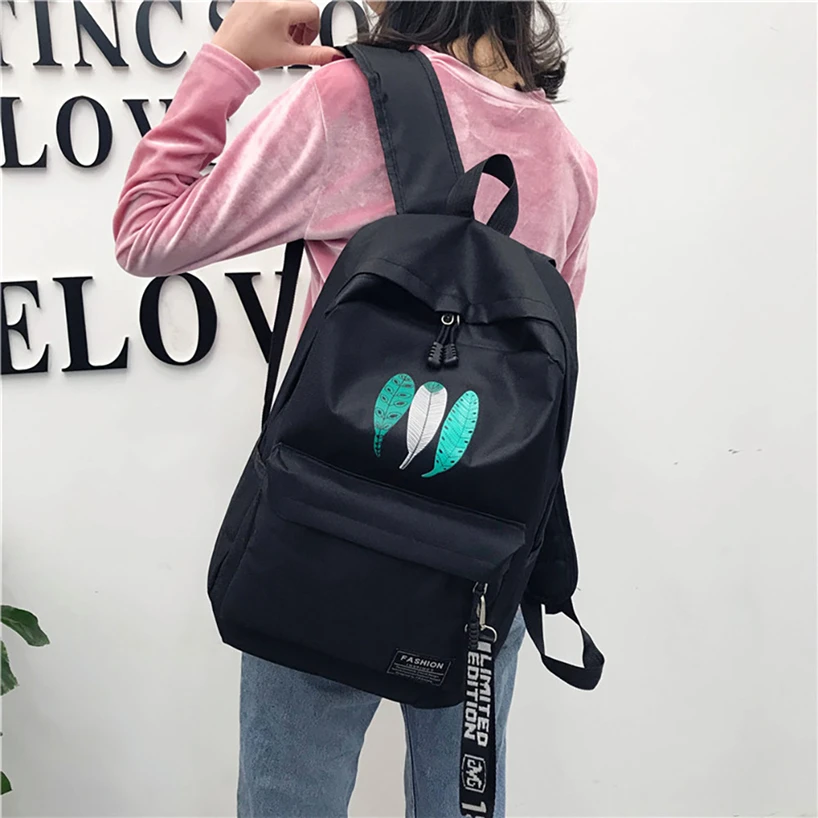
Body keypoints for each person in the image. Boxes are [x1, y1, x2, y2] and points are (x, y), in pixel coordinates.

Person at [113, 1, 597, 815]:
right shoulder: (567, 156)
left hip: (328, 538)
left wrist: (229, 57)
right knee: (461, 803)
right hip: (482, 559)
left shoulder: (350, 100)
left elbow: (145, 231)